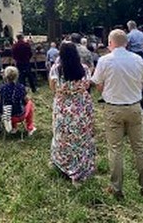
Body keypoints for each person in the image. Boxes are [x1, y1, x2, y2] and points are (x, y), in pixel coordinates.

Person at [91, 29, 143, 199]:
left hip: (113, 107)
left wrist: (107, 92)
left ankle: (116, 188)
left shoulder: (104, 60)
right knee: (139, 147)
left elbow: (97, 83)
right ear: (127, 43)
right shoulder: (137, 59)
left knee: (115, 149)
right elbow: (142, 82)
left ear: (110, 43)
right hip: (134, 106)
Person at [48, 42, 96, 185]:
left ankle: (63, 163)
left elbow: (52, 87)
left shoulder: (56, 69)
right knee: (81, 135)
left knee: (62, 135)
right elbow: (87, 85)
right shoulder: (85, 69)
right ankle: (80, 165)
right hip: (81, 106)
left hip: (63, 106)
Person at [0, 66, 36, 135]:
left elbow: (1, 100)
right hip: (19, 116)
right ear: (16, 75)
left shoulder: (2, 87)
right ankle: (30, 127)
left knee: (9, 104)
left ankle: (14, 127)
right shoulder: (20, 87)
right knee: (30, 103)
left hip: (6, 115)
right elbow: (25, 100)